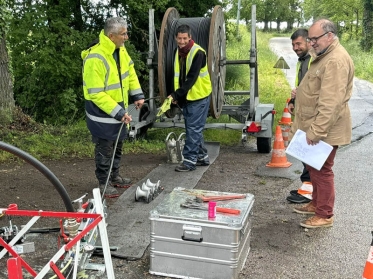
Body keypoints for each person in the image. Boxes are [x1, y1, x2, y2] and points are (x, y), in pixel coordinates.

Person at [290, 18, 354, 228]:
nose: (311, 43)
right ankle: (316, 204)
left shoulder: (335, 60)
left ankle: (325, 214)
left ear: (329, 36)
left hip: (324, 128)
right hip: (315, 124)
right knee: (315, 167)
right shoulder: (325, 56)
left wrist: (315, 131)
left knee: (322, 170)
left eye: (314, 38)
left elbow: (331, 102)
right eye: (310, 39)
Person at [82, 17, 145, 196]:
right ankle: (104, 182)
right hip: (101, 111)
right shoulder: (95, 57)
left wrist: (137, 95)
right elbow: (95, 93)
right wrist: (119, 112)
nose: (126, 37)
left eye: (126, 33)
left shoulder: (121, 50)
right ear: (111, 36)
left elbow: (130, 72)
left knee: (117, 144)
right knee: (105, 148)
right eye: (123, 34)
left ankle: (114, 176)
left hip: (118, 108)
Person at [168, 24, 212, 172]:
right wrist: (177, 96)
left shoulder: (198, 53)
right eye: (179, 38)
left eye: (184, 38)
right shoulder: (177, 52)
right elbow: (179, 76)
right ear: (175, 38)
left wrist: (176, 94)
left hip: (199, 96)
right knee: (193, 128)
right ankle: (202, 157)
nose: (182, 41)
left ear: (190, 37)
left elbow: (191, 78)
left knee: (193, 129)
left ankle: (189, 162)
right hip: (187, 97)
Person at [286, 29, 313, 204]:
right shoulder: (302, 61)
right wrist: (293, 101)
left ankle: (309, 191)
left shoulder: (313, 60)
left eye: (299, 44)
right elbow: (300, 84)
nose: (296, 47)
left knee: (311, 154)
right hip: (303, 112)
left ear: (309, 42)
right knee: (304, 152)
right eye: (294, 45)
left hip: (312, 115)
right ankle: (306, 187)